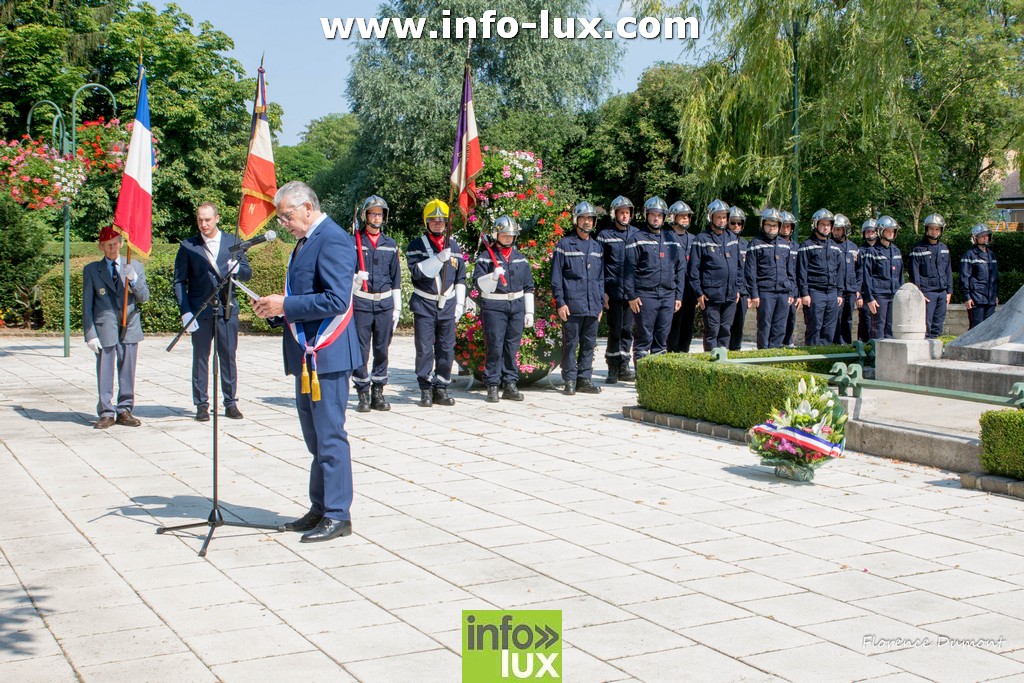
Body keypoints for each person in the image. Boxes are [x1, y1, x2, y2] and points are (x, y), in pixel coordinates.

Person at [252, 181, 361, 543]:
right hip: (306, 355)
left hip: (327, 355)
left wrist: (286, 305)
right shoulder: (305, 241)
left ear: (308, 208)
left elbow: (334, 299)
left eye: (287, 215)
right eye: (281, 217)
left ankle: (338, 514)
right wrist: (276, 310)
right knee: (315, 440)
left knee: (330, 437)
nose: (283, 223)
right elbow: (302, 296)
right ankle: (320, 507)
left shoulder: (332, 239)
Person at [173, 202, 252, 422]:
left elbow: (247, 274)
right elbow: (179, 281)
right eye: (200, 220)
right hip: (200, 310)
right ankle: (201, 404)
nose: (203, 224)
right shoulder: (189, 245)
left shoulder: (233, 242)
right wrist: (185, 312)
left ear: (217, 218)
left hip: (227, 308)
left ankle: (230, 402)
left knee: (228, 357)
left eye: (207, 219)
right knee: (200, 358)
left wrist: (236, 268)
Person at [83, 226, 150, 429]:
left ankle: (124, 409)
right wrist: (90, 334)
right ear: (100, 246)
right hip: (105, 327)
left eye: (116, 243)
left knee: (127, 368)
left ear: (122, 243)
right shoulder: (92, 270)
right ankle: (106, 411)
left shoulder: (134, 266)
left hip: (129, 324)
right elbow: (87, 305)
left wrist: (134, 280)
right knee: (105, 370)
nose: (113, 248)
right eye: (108, 245)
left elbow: (144, 297)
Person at [406, 199, 467, 407]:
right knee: (424, 348)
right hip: (425, 302)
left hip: (448, 304)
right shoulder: (416, 245)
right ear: (427, 222)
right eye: (434, 221)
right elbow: (417, 273)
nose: (438, 224)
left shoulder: (454, 245)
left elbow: (460, 277)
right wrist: (438, 259)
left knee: (446, 347)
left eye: (442, 221)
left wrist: (459, 303)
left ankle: (441, 386)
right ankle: (425, 387)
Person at [474, 215, 535, 402]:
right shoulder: (485, 258)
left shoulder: (520, 259)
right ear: (496, 235)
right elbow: (477, 284)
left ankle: (510, 384)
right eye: (504, 234)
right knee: (495, 345)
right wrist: (492, 276)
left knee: (511, 347)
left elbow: (528, 286)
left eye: (511, 235)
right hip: (494, 306)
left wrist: (529, 311)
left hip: (516, 307)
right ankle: (492, 384)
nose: (508, 238)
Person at [351, 195, 401, 412]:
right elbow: (343, 273)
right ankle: (362, 391)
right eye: (373, 213)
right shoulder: (353, 242)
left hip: (384, 304)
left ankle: (378, 391)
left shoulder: (390, 245)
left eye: (380, 214)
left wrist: (397, 306)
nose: (377, 217)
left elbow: (396, 278)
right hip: (361, 302)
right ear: (365, 216)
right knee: (361, 350)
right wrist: (355, 280)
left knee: (382, 349)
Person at [623, 197, 686, 364]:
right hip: (645, 296)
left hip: (667, 295)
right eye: (652, 215)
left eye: (659, 215)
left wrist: (678, 296)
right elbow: (628, 270)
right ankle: (642, 378)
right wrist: (631, 295)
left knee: (662, 338)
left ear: (665, 217)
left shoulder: (673, 239)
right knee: (644, 337)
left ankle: (657, 380)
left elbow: (680, 268)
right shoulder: (636, 239)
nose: (656, 218)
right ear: (646, 215)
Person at [552, 201, 604, 395]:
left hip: (592, 304)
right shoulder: (564, 245)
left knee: (589, 343)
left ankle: (584, 379)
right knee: (571, 343)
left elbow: (600, 278)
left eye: (590, 218)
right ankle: (570, 379)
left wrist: (599, 304)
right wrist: (560, 302)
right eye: (583, 218)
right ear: (576, 220)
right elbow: (556, 277)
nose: (587, 222)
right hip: (572, 304)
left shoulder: (597, 247)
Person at [688, 199, 741, 351]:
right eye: (718, 217)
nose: (722, 220)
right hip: (711, 295)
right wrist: (698, 292)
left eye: (724, 217)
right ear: (711, 218)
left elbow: (739, 266)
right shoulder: (701, 239)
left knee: (726, 330)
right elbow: (693, 270)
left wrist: (737, 288)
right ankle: (711, 362)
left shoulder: (732, 238)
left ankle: (722, 363)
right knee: (712, 331)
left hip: (730, 294)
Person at [597, 195, 639, 383]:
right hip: (612, 291)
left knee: (627, 329)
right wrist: (603, 291)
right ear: (615, 214)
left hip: (631, 293)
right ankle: (612, 367)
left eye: (627, 213)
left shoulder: (637, 235)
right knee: (615, 329)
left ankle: (624, 365)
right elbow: (599, 265)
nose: (624, 216)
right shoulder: (604, 236)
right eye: (621, 213)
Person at [745, 208, 795, 349]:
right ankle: (763, 353)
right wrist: (754, 294)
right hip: (765, 291)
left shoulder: (785, 245)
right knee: (765, 324)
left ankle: (775, 353)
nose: (772, 228)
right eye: (769, 225)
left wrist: (791, 292)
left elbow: (790, 271)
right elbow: (750, 271)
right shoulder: (755, 243)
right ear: (763, 225)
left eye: (775, 225)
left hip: (783, 291)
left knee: (780, 325)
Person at [797, 208, 843, 345]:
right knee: (814, 327)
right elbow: (802, 271)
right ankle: (811, 358)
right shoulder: (807, 246)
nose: (826, 227)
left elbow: (840, 271)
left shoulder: (835, 247)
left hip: (832, 293)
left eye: (828, 225)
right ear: (815, 225)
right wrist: (804, 293)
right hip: (815, 292)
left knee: (829, 329)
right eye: (822, 224)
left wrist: (839, 293)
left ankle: (824, 359)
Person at [908, 213, 953, 339]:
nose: (934, 231)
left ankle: (935, 351)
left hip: (942, 292)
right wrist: (919, 292)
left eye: (937, 229)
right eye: (932, 228)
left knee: (938, 324)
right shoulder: (917, 248)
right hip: (927, 293)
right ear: (926, 229)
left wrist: (949, 291)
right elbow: (914, 273)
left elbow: (948, 270)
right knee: (925, 325)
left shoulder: (944, 248)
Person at [861, 215, 905, 340]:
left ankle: (890, 358)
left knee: (891, 327)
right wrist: (869, 298)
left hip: (894, 294)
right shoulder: (872, 251)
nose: (891, 234)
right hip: (879, 295)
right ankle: (876, 356)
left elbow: (900, 276)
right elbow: (867, 276)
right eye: (888, 231)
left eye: (893, 231)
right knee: (878, 328)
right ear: (881, 231)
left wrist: (901, 293)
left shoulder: (896, 251)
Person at [666, 201, 698, 353]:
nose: (685, 219)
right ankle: (672, 354)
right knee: (673, 327)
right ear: (673, 218)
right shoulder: (665, 237)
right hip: (672, 290)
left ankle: (684, 355)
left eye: (687, 216)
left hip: (689, 291)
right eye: (682, 216)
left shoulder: (694, 239)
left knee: (687, 327)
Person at [961, 224, 999, 329]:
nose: (985, 238)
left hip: (990, 298)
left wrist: (995, 295)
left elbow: (995, 278)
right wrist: (967, 297)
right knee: (976, 329)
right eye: (981, 235)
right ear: (975, 238)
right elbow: (964, 277)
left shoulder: (991, 255)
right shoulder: (969, 255)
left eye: (986, 235)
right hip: (976, 298)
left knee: (989, 328)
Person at [831, 213, 861, 345]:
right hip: (837, 290)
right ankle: (836, 344)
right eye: (834, 229)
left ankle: (846, 345)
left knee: (848, 319)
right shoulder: (831, 245)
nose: (836, 232)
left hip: (851, 289)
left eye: (839, 229)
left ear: (845, 230)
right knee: (835, 319)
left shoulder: (854, 247)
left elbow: (860, 270)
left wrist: (858, 288)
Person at [727, 206, 750, 350]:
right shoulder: (724, 242)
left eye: (739, 223)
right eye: (733, 222)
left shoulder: (746, 244)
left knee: (739, 324)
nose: (736, 226)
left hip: (743, 291)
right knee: (725, 325)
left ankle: (736, 350)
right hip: (728, 290)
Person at [779, 211, 800, 346]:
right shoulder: (775, 245)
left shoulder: (797, 247)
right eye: (783, 226)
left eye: (788, 226)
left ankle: (788, 342)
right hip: (780, 287)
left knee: (791, 317)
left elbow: (799, 271)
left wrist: (798, 293)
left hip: (793, 289)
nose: (786, 229)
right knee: (778, 319)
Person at [857, 219, 878, 342]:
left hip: (878, 292)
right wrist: (858, 294)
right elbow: (857, 273)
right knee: (865, 321)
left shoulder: (881, 249)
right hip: (864, 293)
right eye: (868, 231)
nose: (870, 234)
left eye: (873, 231)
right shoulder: (859, 251)